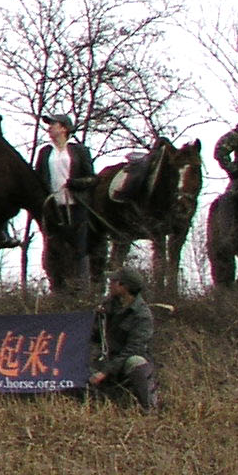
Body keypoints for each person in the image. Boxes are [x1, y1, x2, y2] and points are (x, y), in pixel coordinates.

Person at [89, 266, 160, 411]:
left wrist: (106, 371)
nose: (110, 284)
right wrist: (96, 317)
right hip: (105, 358)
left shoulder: (142, 315)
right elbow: (95, 337)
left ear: (124, 287)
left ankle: (147, 407)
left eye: (114, 281)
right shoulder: (108, 306)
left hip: (124, 360)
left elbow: (134, 349)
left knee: (136, 362)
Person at [35, 114, 97, 271]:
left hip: (76, 206)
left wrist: (75, 184)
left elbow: (91, 178)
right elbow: (39, 179)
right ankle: (57, 290)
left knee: (79, 250)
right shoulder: (45, 152)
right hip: (53, 208)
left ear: (64, 128)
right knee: (54, 250)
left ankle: (80, 289)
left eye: (53, 124)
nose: (49, 128)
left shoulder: (79, 150)